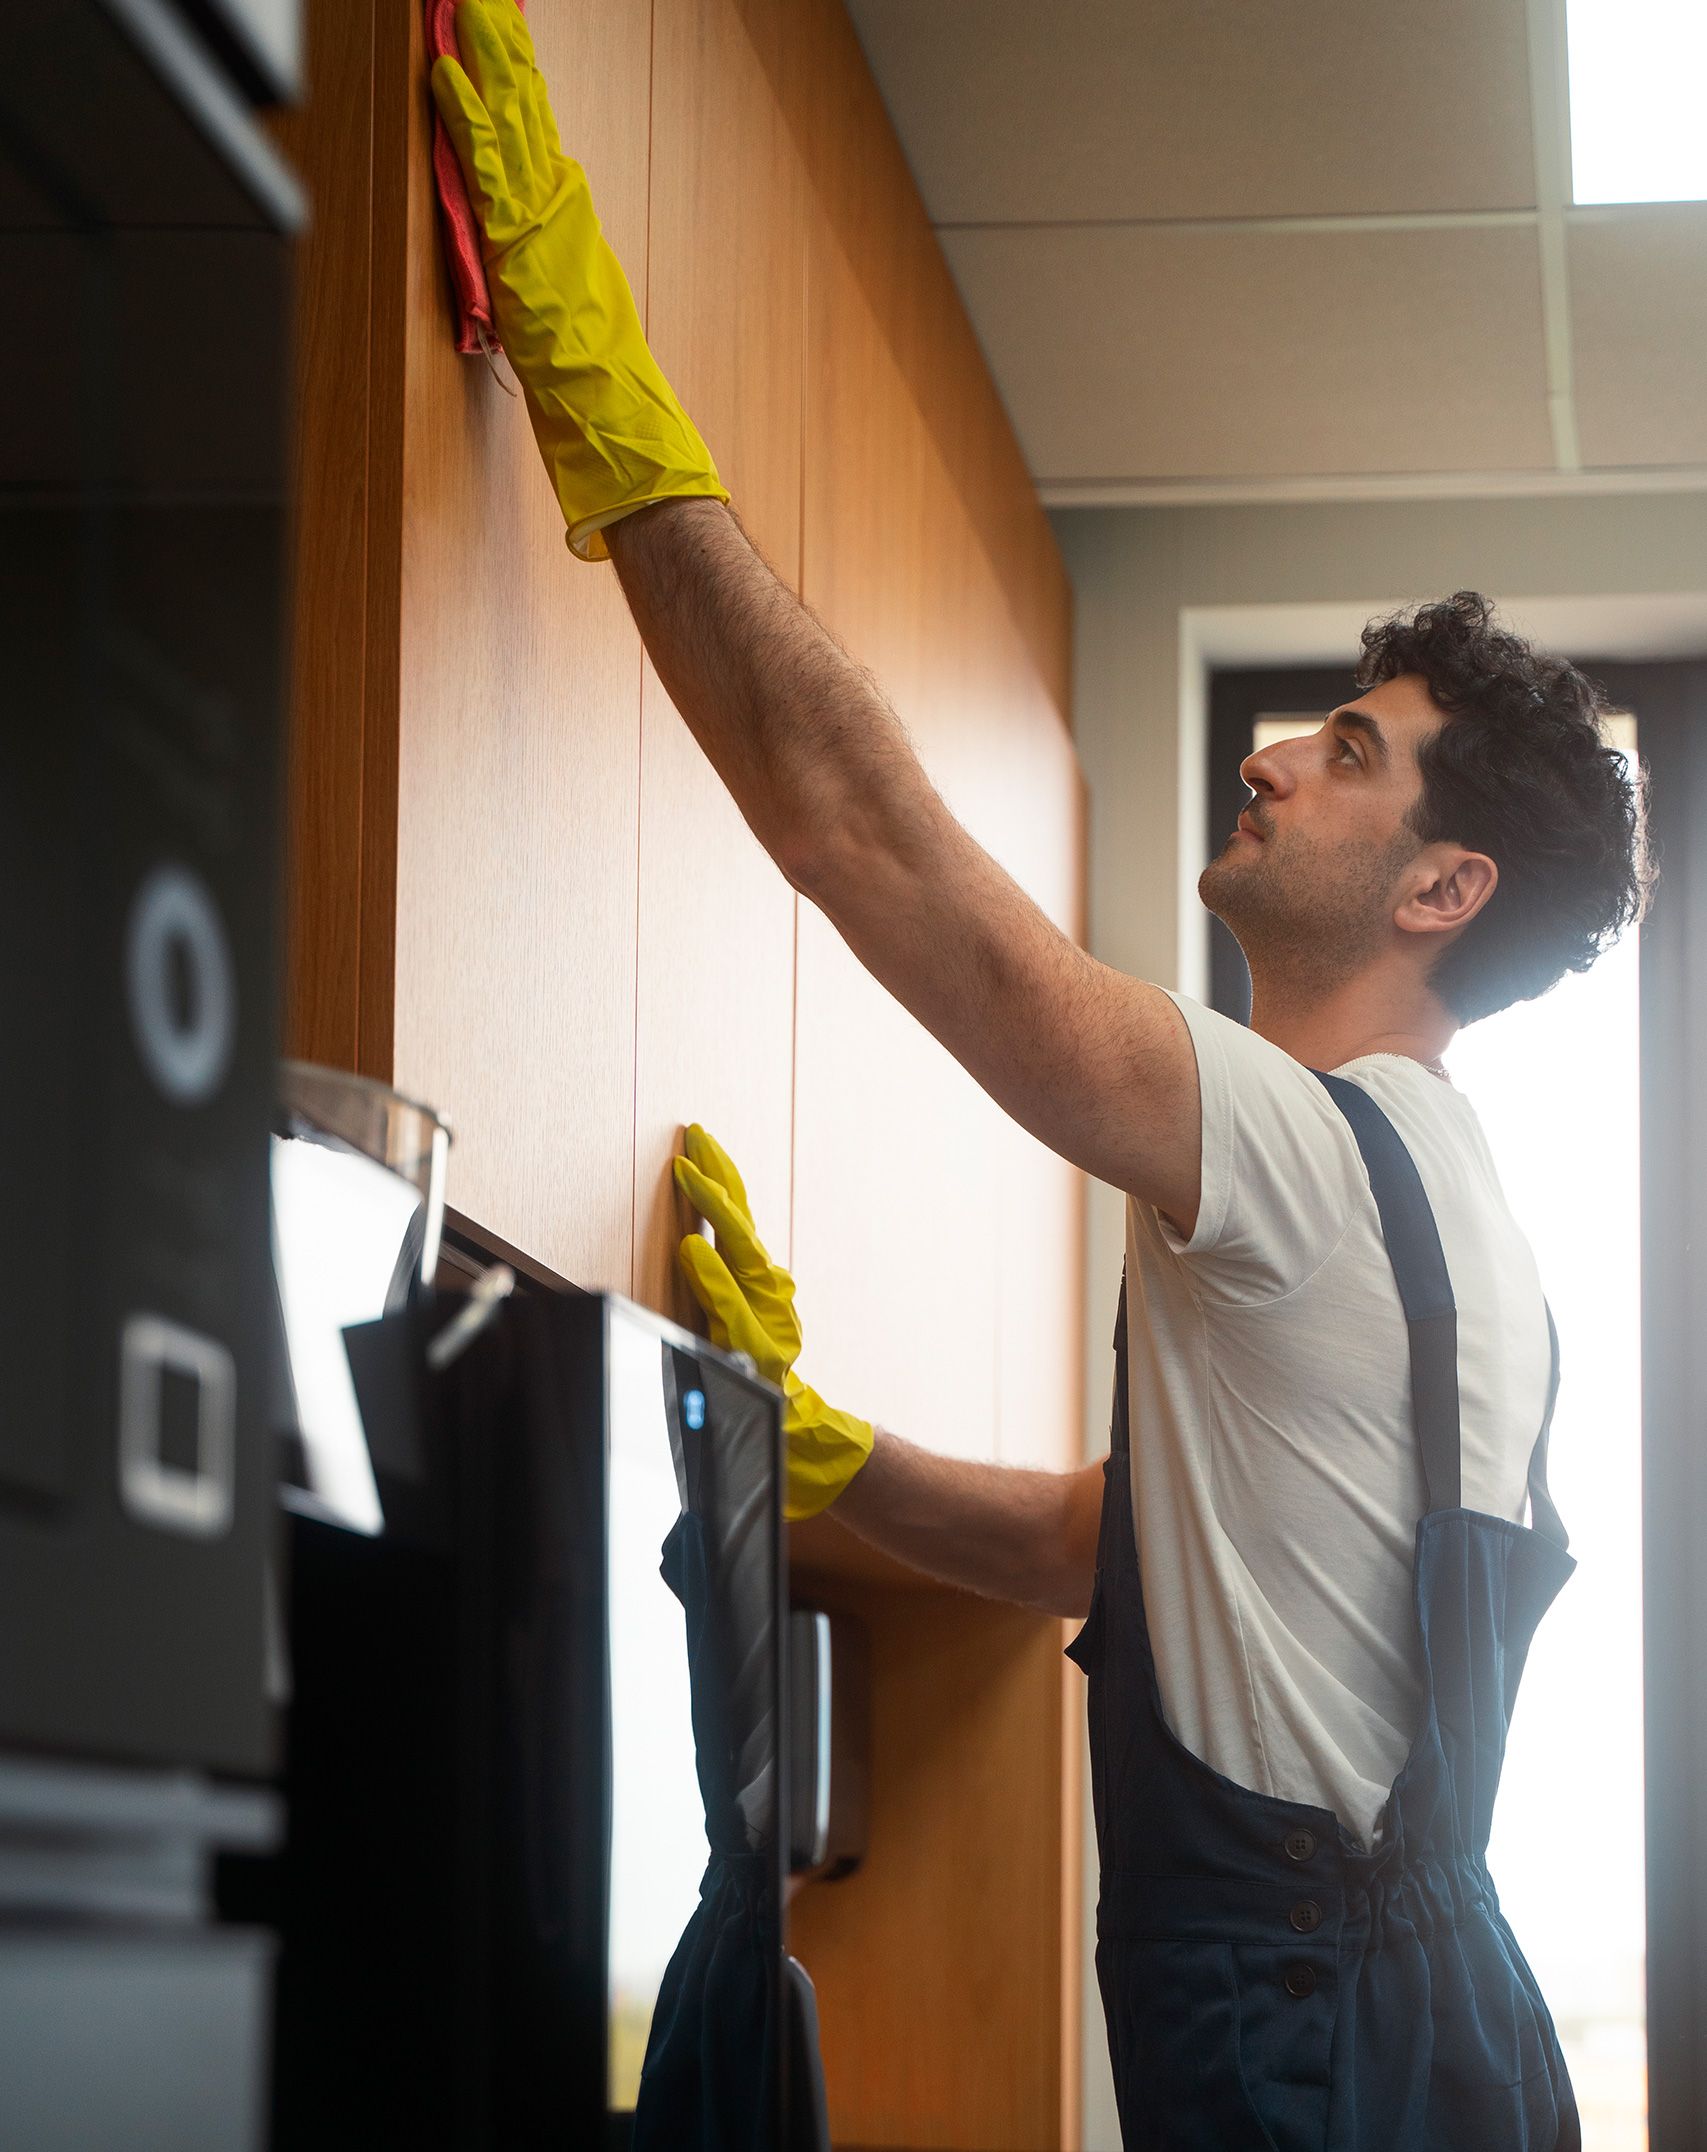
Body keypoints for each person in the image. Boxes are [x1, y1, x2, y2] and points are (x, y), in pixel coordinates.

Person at [431, 9, 1652, 2145]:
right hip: (1433, 2018)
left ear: (1443, 886)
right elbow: (1142, 1545)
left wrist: (585, 365)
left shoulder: (1284, 1141)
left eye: (1345, 751)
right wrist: (827, 1456)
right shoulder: (1468, 1228)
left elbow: (864, 837)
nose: (1270, 753)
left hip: (1307, 2026)